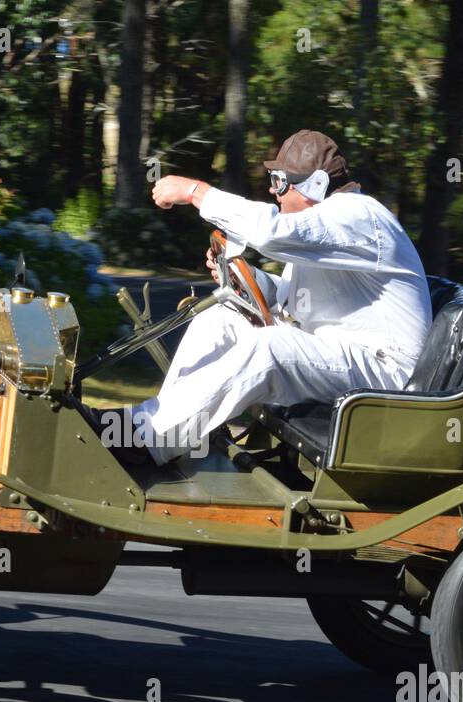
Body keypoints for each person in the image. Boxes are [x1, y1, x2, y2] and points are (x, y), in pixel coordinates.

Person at [98, 130, 433, 467]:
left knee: (271, 347)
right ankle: (165, 431)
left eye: (281, 181)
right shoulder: (328, 227)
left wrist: (195, 191)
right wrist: (252, 279)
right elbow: (293, 301)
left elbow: (268, 233)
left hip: (389, 376)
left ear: (315, 185)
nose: (274, 191)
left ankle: (139, 442)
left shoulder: (358, 216)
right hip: (348, 358)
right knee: (218, 320)